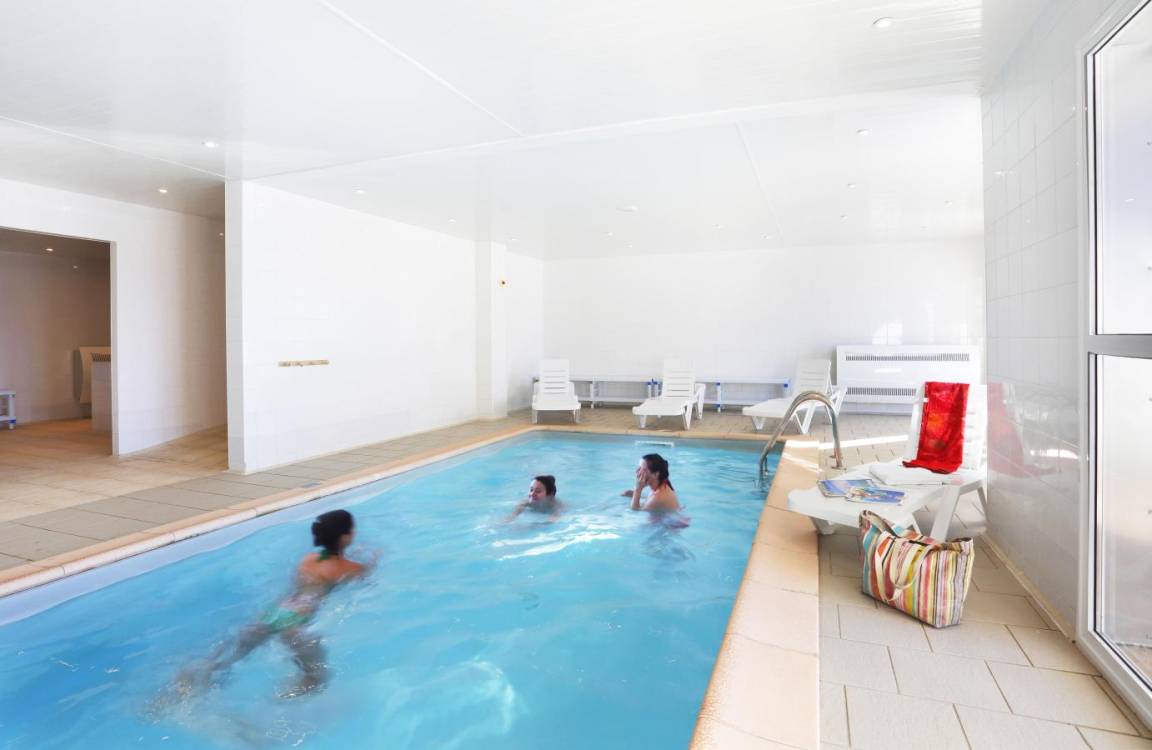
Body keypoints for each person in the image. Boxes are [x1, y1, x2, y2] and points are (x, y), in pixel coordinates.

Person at [170, 509, 372, 700]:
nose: (354, 532)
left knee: (226, 659)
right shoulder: (350, 568)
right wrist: (372, 559)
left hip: (274, 613)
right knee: (316, 678)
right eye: (352, 529)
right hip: (295, 623)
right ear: (345, 537)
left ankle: (192, 681)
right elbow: (363, 578)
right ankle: (276, 702)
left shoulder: (308, 559)